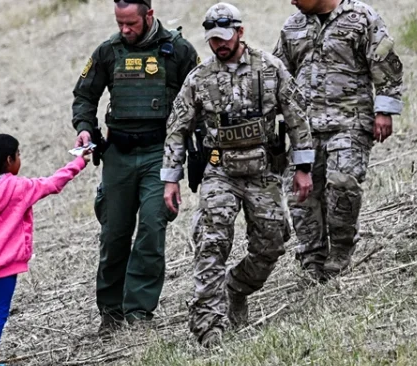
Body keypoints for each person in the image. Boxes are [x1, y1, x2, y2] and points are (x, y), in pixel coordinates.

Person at [161, 2, 315, 347]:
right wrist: (170, 178)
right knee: (211, 240)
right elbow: (177, 128)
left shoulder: (270, 69)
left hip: (262, 173)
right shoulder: (199, 79)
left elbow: (297, 118)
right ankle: (208, 326)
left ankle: (237, 287)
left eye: (225, 37)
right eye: (213, 39)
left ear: (240, 32)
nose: (220, 45)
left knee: (272, 244)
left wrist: (303, 168)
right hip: (221, 172)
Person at [71, 0, 200, 334]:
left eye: (131, 23)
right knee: (113, 234)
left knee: (151, 231)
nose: (125, 30)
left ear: (149, 16)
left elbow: (200, 96)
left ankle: (139, 312)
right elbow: (85, 96)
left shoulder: (178, 51)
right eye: (120, 23)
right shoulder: (108, 52)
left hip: (160, 153)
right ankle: (110, 312)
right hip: (119, 155)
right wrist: (84, 127)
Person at [274, 0, 404, 280]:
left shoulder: (361, 17)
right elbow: (278, 75)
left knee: (343, 183)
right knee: (302, 198)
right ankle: (312, 257)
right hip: (305, 130)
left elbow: (386, 65)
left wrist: (385, 110)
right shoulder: (292, 26)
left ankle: (341, 249)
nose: (292, 1)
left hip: (350, 123)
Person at [0, 134, 91, 366]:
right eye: (18, 154)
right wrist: (79, 162)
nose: (20, 159)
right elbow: (53, 183)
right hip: (6, 263)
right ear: (9, 159)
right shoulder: (17, 187)